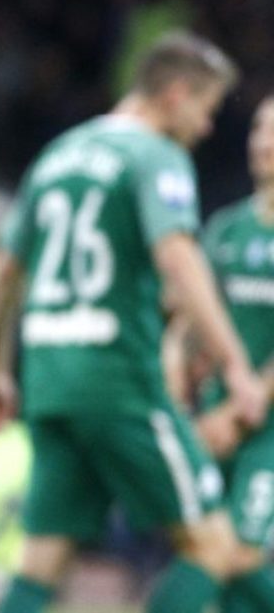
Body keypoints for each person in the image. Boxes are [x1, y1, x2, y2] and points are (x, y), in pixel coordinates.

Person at [0, 31, 270, 613]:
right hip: (120, 380)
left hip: (49, 380)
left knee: (41, 562)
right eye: (206, 109)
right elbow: (178, 257)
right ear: (176, 94)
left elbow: (5, 272)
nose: (207, 127)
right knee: (215, 548)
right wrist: (236, 367)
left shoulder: (60, 154)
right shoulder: (156, 156)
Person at [168, 94, 274, 612]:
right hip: (215, 416)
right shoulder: (227, 228)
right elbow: (191, 319)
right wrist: (172, 367)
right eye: (258, 128)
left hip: (266, 430)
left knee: (237, 554)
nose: (264, 142)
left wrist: (240, 411)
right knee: (212, 551)